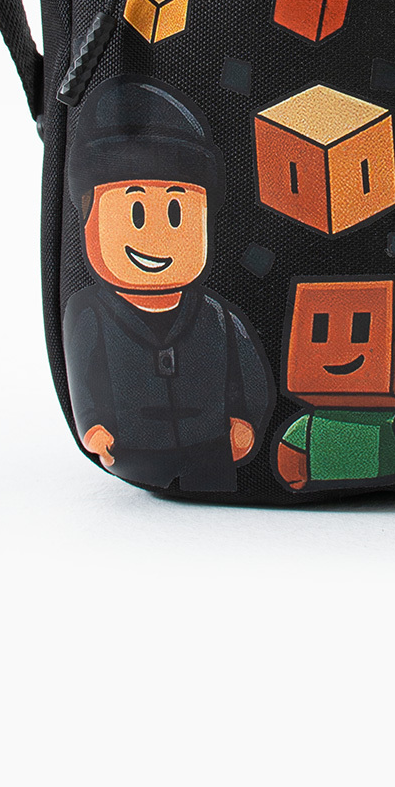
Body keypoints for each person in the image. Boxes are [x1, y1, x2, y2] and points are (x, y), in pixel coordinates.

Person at [63, 77, 274, 493]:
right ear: (86, 218)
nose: (155, 237)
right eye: (135, 212)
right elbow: (85, 378)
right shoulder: (90, 315)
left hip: (210, 449)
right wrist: (93, 424)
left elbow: (247, 371)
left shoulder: (217, 316)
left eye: (177, 212)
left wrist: (246, 418)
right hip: (132, 447)